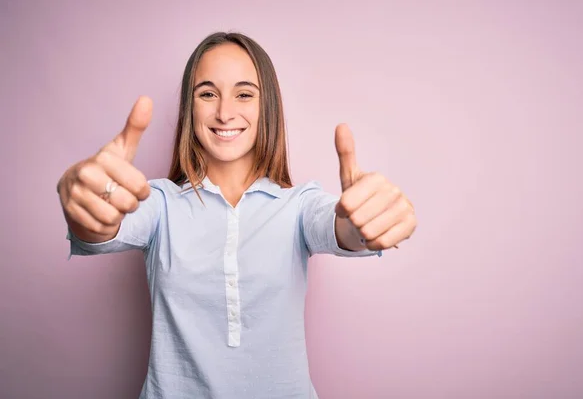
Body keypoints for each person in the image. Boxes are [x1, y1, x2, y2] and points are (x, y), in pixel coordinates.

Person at [56, 32, 417, 399]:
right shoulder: (158, 202)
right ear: (189, 107)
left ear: (267, 108)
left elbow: (340, 226)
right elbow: (100, 229)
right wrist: (85, 202)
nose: (225, 112)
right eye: (207, 93)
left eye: (244, 94)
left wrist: (365, 221)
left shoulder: (298, 205)